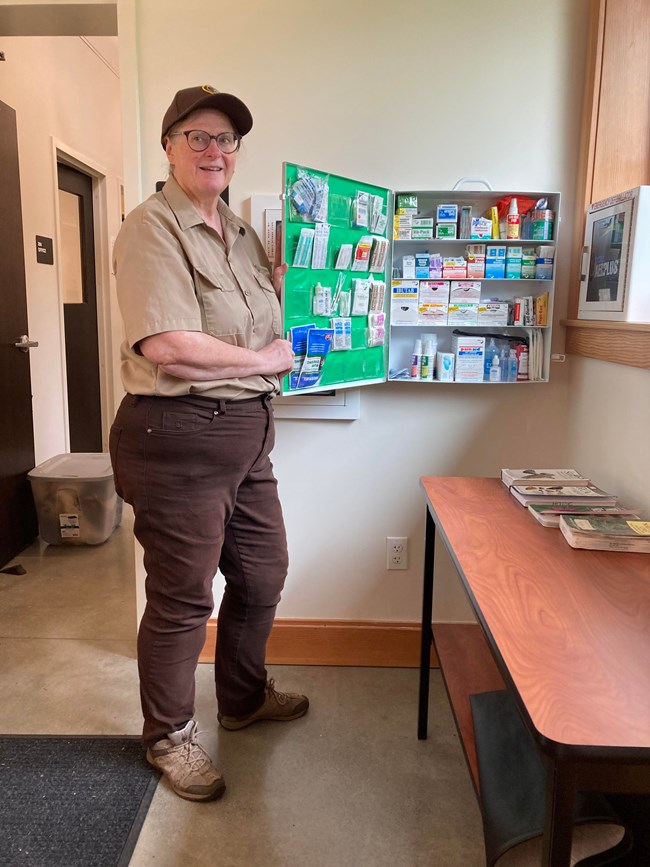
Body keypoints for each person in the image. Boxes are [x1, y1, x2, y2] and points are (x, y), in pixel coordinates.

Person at [109, 85, 308, 802]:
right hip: (177, 437)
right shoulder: (150, 228)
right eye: (198, 137)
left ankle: (244, 699)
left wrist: (295, 288)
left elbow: (260, 323)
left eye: (226, 140)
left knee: (262, 573)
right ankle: (168, 735)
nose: (215, 151)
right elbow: (169, 346)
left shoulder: (243, 233)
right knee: (184, 599)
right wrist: (268, 359)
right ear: (168, 144)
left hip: (248, 436)